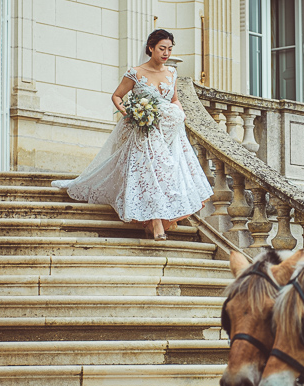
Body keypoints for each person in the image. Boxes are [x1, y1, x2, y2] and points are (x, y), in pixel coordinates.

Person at [51, 29, 213, 240]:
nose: (166, 53)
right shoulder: (135, 73)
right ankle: (156, 223)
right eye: (162, 48)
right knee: (151, 171)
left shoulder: (172, 72)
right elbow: (117, 96)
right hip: (144, 130)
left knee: (167, 173)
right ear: (151, 48)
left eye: (170, 49)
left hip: (170, 132)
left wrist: (180, 114)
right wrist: (130, 112)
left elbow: (173, 99)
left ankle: (160, 218)